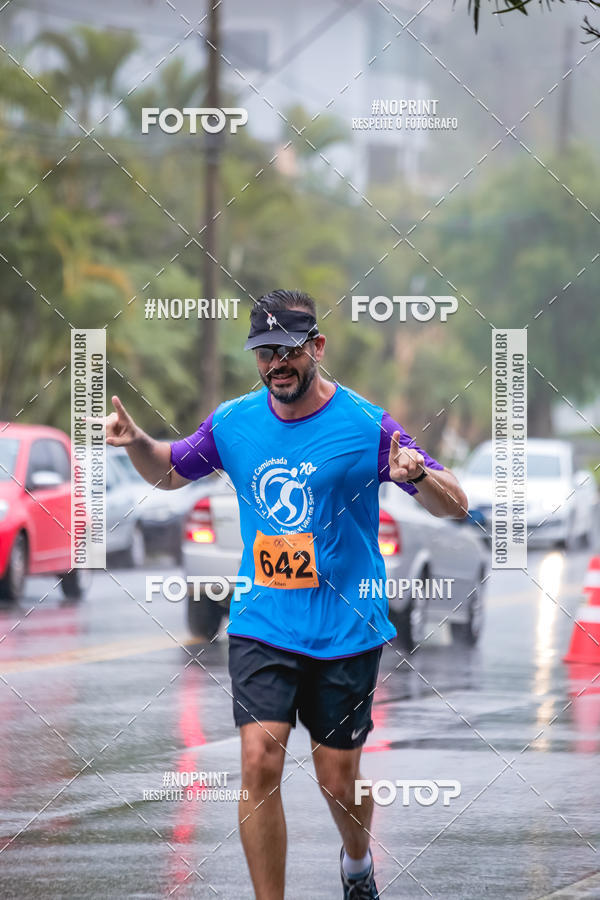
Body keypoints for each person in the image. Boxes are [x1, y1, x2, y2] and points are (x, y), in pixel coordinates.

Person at [104, 289, 468, 899]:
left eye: (288, 350)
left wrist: (421, 474)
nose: (276, 364)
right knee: (259, 759)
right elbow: (169, 470)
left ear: (317, 347)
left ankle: (358, 864)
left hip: (345, 627)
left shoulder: (366, 425)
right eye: (264, 352)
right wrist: (136, 439)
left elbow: (454, 503)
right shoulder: (233, 423)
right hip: (263, 619)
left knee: (337, 778)